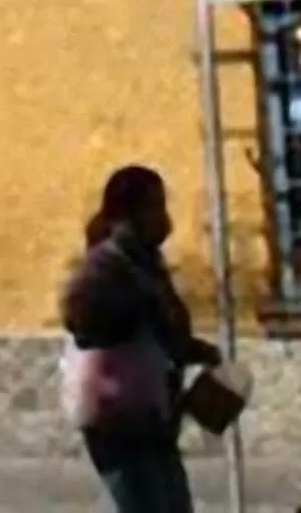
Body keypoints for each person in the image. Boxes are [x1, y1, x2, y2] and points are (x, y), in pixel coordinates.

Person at [61, 165, 221, 513]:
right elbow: (81, 319)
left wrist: (197, 352)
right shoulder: (107, 264)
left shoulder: (147, 261)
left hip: (152, 416)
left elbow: (166, 330)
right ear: (128, 213)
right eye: (155, 206)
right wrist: (134, 312)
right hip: (117, 417)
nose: (163, 218)